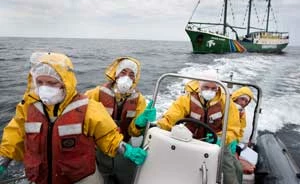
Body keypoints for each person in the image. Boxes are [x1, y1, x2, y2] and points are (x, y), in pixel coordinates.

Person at [0, 52, 147, 184]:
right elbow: (15, 134)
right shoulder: (27, 107)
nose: (45, 88)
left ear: (65, 83)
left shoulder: (87, 107)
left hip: (79, 175)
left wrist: (126, 148)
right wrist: (3, 161)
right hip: (41, 176)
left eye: (52, 83)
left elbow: (107, 133)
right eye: (40, 82)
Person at [157, 70, 243, 184]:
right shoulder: (186, 99)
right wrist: (158, 126)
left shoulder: (226, 102)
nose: (210, 91)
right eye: (206, 87)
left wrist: (221, 139)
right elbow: (170, 118)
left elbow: (234, 128)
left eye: (213, 88)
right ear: (199, 86)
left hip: (218, 143)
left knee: (231, 170)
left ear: (218, 88)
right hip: (189, 141)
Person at [85, 56, 155, 184]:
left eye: (131, 74)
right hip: (97, 150)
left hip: (125, 149)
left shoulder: (139, 100)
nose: (126, 77)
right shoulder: (95, 93)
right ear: (116, 74)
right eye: (123, 72)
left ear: (135, 79)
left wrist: (140, 123)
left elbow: (134, 132)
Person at [232, 86, 256, 174]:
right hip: (223, 141)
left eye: (246, 101)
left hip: (235, 143)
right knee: (238, 169)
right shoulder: (225, 107)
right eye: (242, 99)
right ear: (236, 97)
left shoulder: (243, 113)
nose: (243, 102)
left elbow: (241, 130)